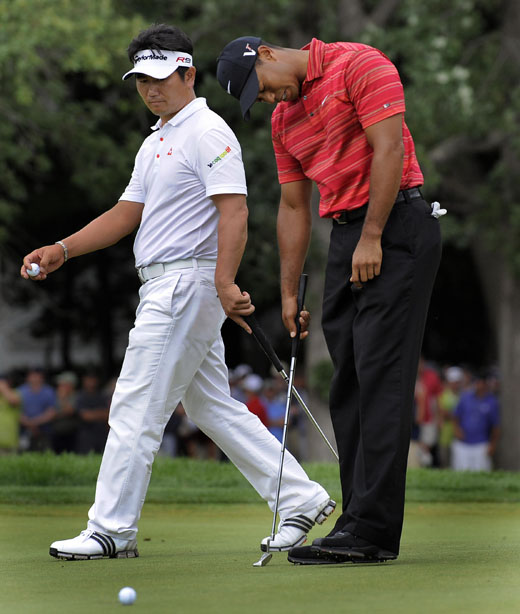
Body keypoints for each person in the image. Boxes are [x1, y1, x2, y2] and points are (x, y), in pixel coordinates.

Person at [21, 24, 334, 561]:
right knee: (210, 406)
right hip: (170, 283)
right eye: (142, 79)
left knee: (136, 405)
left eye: (162, 77)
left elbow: (234, 210)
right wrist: (64, 248)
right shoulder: (157, 139)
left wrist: (223, 280)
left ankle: (111, 529)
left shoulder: (207, 131)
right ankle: (300, 497)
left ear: (189, 73)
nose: (151, 89)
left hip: (188, 282)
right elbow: (127, 214)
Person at [217, 35, 442, 564]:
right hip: (345, 234)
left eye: (263, 89)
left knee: (380, 374)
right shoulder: (283, 122)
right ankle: (358, 520)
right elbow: (294, 207)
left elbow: (388, 149)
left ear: (267, 54)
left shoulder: (359, 64)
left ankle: (374, 533)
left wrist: (373, 235)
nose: (268, 101)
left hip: (397, 224)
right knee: (348, 381)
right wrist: (290, 289)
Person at [452, 370, 500, 471]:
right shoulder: (465, 397)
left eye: (480, 382)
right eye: (476, 382)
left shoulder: (492, 402)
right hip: (463, 443)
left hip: (481, 444)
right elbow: (456, 416)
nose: (477, 385)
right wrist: (457, 429)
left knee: (481, 473)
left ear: (485, 384)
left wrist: (493, 444)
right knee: (461, 472)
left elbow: (495, 426)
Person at [17, 369, 57, 451]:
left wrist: (34, 423)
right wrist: (29, 424)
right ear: (27, 378)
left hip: (44, 429)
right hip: (24, 430)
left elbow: (52, 411)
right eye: (32, 376)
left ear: (42, 378)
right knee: (23, 454)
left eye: (37, 376)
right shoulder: (20, 391)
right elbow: (17, 411)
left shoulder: (49, 391)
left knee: (45, 453)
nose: (35, 379)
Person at [75, 372, 109, 454]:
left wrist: (93, 413)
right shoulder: (80, 396)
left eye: (93, 379)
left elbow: (108, 414)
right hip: (86, 434)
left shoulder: (102, 395)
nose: (91, 382)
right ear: (84, 381)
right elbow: (85, 416)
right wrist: (100, 413)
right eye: (89, 379)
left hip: (101, 433)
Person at [52, 371, 79, 454]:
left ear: (70, 385)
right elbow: (51, 413)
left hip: (71, 433)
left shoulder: (76, 396)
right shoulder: (54, 396)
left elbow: (70, 411)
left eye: (62, 384)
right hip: (56, 432)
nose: (59, 387)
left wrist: (63, 398)